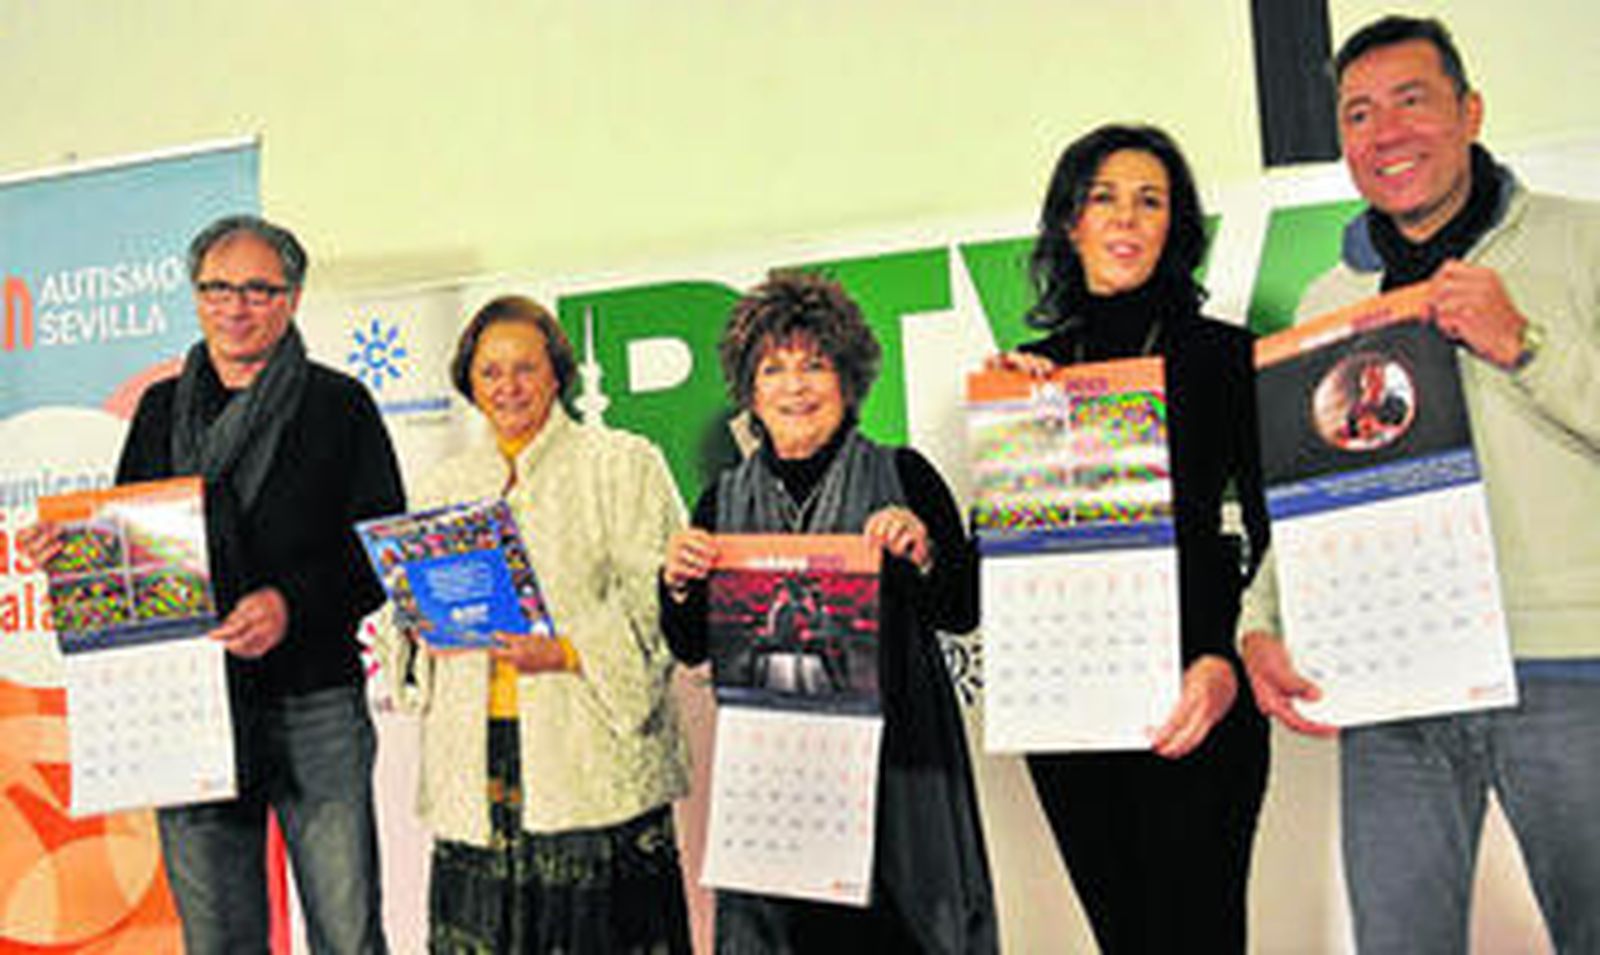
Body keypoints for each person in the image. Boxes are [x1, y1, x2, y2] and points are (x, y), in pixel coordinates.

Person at [1239, 15, 1600, 954]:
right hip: (1394, 675)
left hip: (1569, 665)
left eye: (1411, 100)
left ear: (1470, 110)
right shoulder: (1327, 303)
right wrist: (1260, 618)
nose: (1385, 131)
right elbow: (1315, 495)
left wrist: (1527, 346)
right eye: (1359, 114)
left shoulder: (1582, 241)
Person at [17, 214, 404, 953]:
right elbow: (129, 539)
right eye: (217, 287)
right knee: (217, 934)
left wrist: (289, 604)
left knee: (347, 929)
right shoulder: (162, 408)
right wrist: (72, 553)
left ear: (291, 298)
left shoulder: (338, 404)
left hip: (313, 699)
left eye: (258, 289)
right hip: (187, 704)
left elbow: (378, 551)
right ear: (195, 297)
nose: (235, 305)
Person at [988, 124, 1271, 953]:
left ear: (1174, 227)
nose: (1125, 218)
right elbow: (1001, 570)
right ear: (1070, 223)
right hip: (1072, 715)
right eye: (1103, 197)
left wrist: (1226, 657)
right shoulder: (1028, 372)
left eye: (1150, 200)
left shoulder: (1224, 355)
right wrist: (1011, 436)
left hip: (1196, 696)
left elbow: (1269, 532)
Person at [660, 271, 997, 954]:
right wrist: (677, 584)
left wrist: (924, 552)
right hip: (780, 790)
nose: (795, 385)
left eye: (815, 365)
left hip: (900, 775)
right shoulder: (719, 502)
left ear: (848, 379)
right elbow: (692, 647)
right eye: (774, 369)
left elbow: (962, 609)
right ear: (750, 390)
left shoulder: (905, 473)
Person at [372, 295, 692, 954]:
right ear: (470, 382)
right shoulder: (442, 486)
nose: (508, 386)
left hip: (588, 759)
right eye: (490, 372)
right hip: (478, 766)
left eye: (525, 368)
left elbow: (665, 612)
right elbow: (402, 630)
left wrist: (570, 650)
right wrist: (417, 629)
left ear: (557, 373)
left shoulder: (622, 463)